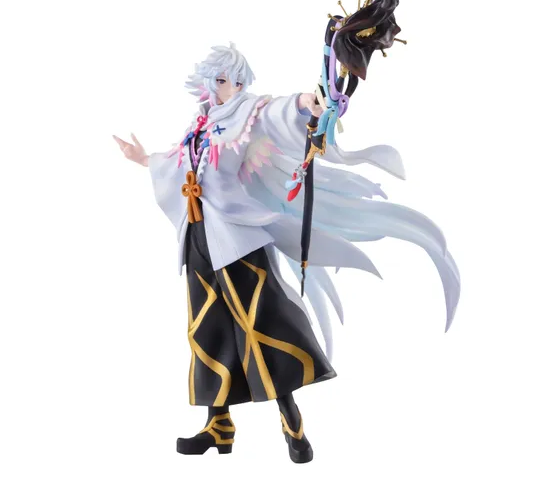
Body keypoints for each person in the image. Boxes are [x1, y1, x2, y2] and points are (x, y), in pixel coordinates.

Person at [113, 42, 460, 464]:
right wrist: (144, 159)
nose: (220, 88)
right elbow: (177, 163)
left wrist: (305, 103)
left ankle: (292, 424)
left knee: (263, 326)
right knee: (207, 328)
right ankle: (218, 424)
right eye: (215, 80)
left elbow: (277, 113)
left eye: (226, 80)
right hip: (198, 236)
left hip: (238, 241)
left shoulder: (248, 113)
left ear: (239, 82)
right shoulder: (200, 125)